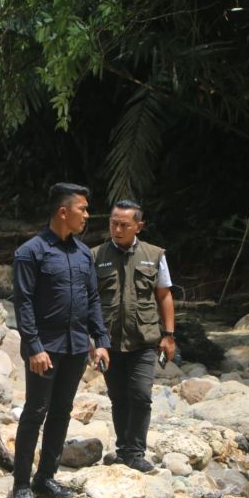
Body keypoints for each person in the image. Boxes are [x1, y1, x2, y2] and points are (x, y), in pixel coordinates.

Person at [11, 183, 111, 498]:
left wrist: (100, 342)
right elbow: (23, 302)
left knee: (61, 412)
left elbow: (92, 298)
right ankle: (22, 484)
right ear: (63, 212)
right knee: (35, 412)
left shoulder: (83, 253)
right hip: (44, 348)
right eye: (82, 209)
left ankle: (46, 477)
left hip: (75, 346)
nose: (87, 215)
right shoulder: (31, 251)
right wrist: (35, 346)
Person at [91, 200, 175, 473]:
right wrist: (92, 340)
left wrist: (169, 335)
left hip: (144, 340)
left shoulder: (155, 255)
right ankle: (123, 450)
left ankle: (136, 452)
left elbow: (164, 295)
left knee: (140, 395)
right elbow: (88, 299)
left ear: (139, 226)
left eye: (124, 224)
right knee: (118, 397)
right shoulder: (96, 255)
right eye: (113, 223)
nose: (117, 229)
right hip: (109, 341)